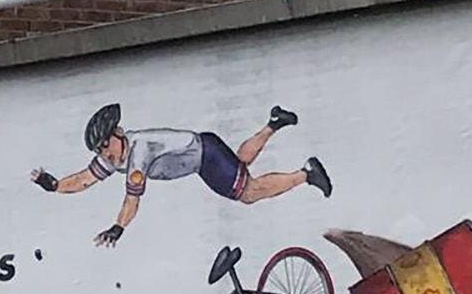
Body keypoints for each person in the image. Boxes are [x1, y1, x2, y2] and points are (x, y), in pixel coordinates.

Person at [31, 102, 332, 247]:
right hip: (205, 149)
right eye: (99, 149)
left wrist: (117, 227)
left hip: (205, 158)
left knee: (248, 192)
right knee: (240, 162)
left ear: (118, 133)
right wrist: (54, 185)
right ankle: (274, 122)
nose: (105, 153)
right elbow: (85, 178)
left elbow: (131, 202)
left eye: (106, 144)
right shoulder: (116, 154)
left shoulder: (138, 153)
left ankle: (306, 174)